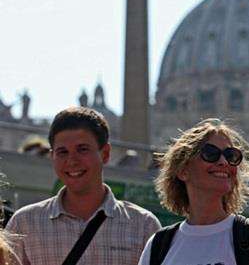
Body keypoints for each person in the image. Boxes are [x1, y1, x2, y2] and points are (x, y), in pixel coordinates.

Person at [6, 107, 161, 265]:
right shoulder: (24, 224)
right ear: (52, 156)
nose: (72, 161)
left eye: (82, 149)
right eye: (62, 152)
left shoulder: (144, 226)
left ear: (105, 154)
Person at [138, 118, 249, 265]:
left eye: (231, 155)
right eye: (210, 153)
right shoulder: (158, 246)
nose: (224, 162)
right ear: (183, 171)